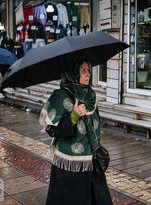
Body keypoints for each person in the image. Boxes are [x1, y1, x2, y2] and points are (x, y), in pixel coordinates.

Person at [40, 58, 113, 205]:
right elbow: (53, 130)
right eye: (83, 71)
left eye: (88, 71)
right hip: (70, 166)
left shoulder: (91, 95)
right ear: (72, 74)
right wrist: (73, 115)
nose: (88, 75)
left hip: (91, 161)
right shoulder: (60, 96)